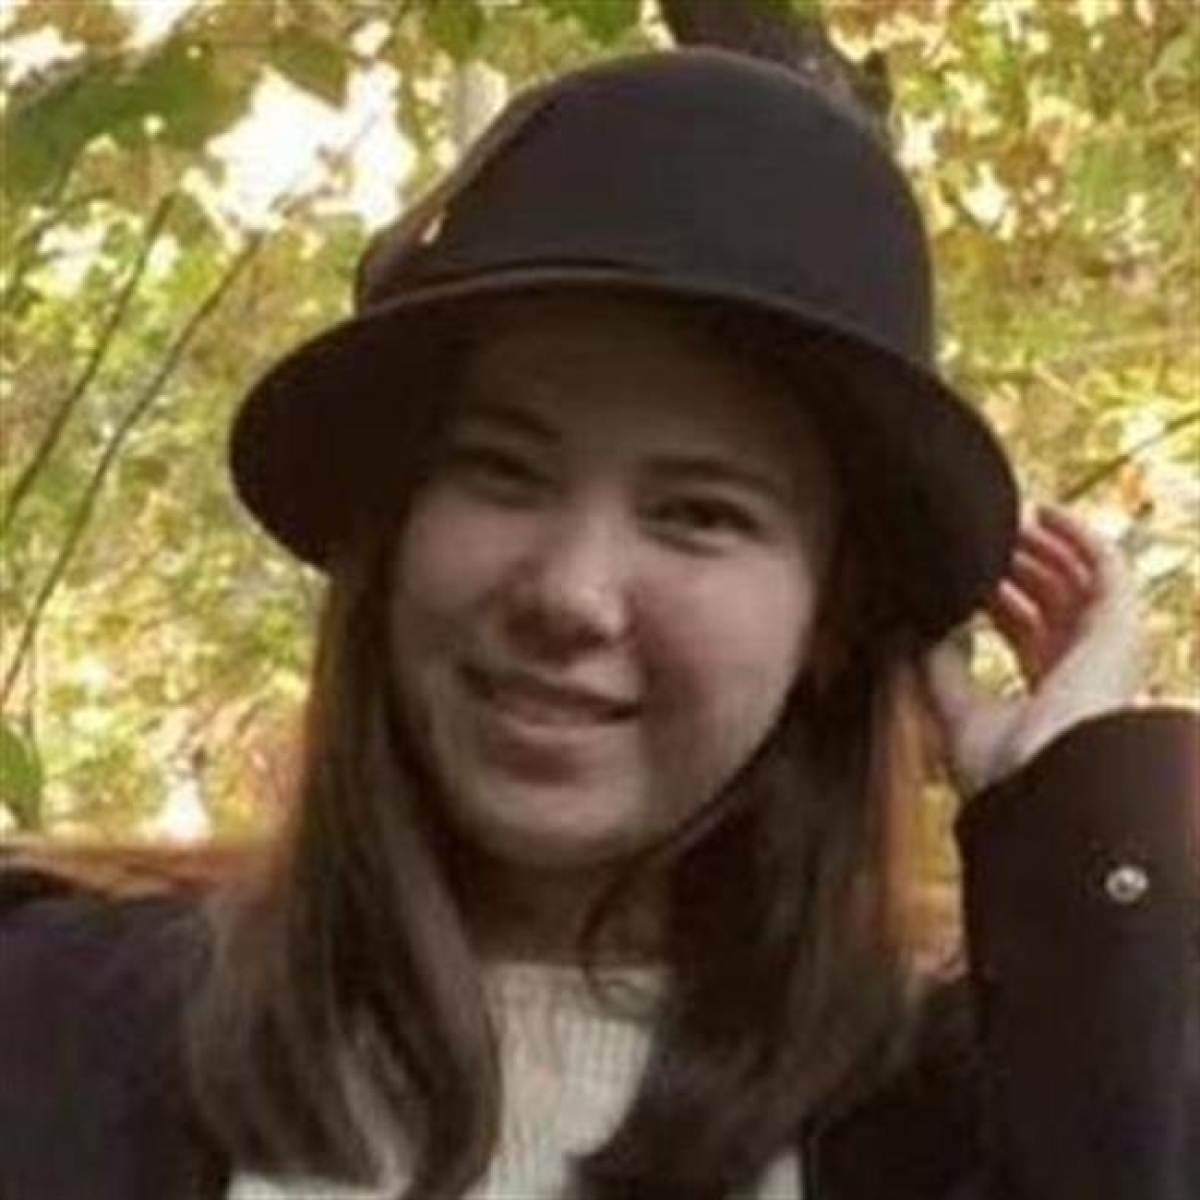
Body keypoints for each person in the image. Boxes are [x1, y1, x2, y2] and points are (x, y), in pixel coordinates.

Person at [1, 48, 1196, 1200]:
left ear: (830, 620)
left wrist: (1071, 821)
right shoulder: (49, 1024)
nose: (569, 594)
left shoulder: (959, 1118)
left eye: (698, 514)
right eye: (503, 471)